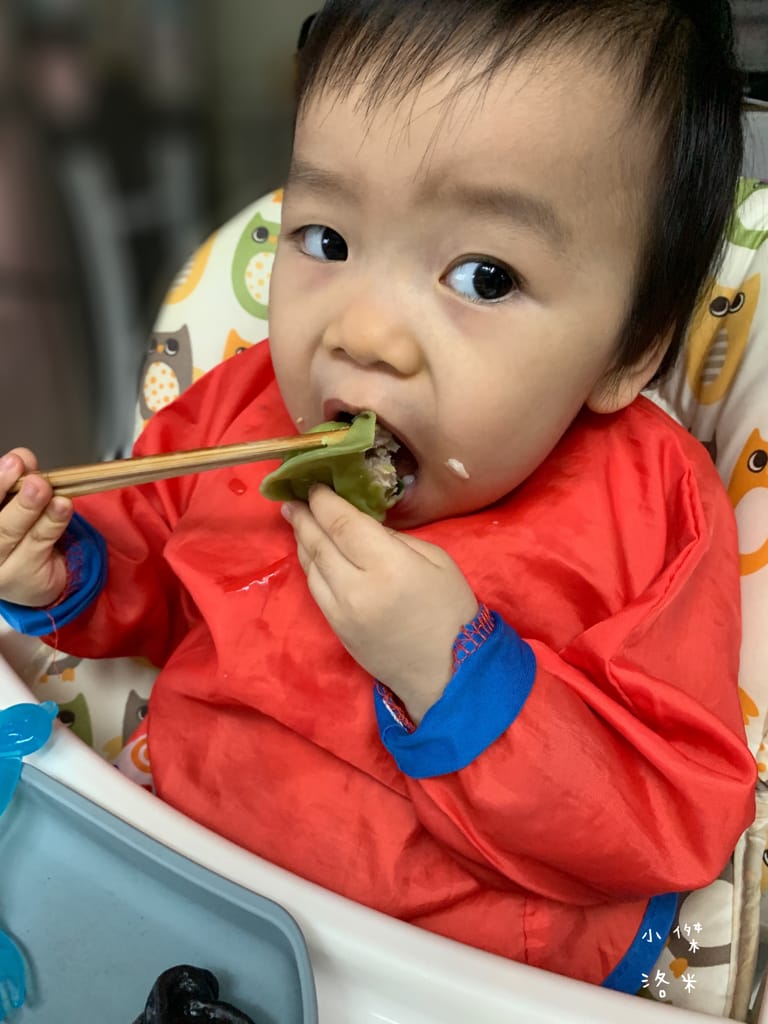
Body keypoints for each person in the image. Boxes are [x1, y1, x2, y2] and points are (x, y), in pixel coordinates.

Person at [0, 0, 756, 995]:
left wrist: (453, 672)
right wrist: (64, 563)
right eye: (326, 239)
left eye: (484, 277)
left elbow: (671, 812)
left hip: (462, 978)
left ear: (631, 349)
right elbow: (158, 562)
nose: (362, 335)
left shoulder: (648, 505)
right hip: (189, 901)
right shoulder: (242, 410)